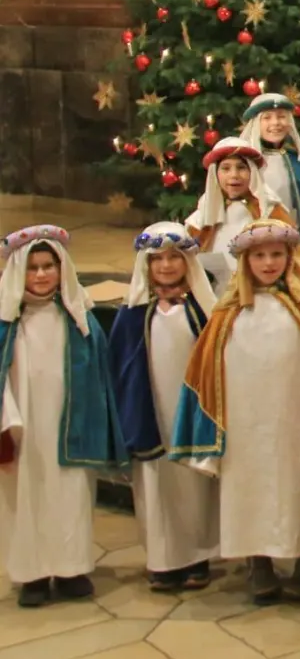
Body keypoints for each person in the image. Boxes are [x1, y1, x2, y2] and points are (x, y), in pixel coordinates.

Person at [170, 219, 300, 604]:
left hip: (296, 421)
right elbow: (204, 371)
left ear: (290, 257)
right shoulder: (226, 315)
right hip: (245, 426)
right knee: (249, 491)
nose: (268, 263)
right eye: (259, 256)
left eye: (276, 254)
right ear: (245, 261)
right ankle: (258, 562)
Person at [0, 226, 126, 607]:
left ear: (61, 268)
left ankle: (72, 569)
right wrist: (8, 424)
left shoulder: (79, 320)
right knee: (25, 499)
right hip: (23, 429)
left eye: (48, 266)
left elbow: (99, 377)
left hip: (71, 427)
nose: (41, 274)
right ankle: (33, 575)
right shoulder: (7, 323)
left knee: (72, 495)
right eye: (32, 267)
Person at [109, 224, 220, 593]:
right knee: (154, 487)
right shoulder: (133, 315)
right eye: (158, 259)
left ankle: (198, 556)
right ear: (146, 265)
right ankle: (161, 561)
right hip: (149, 413)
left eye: (175, 257)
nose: (167, 265)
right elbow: (120, 366)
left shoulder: (203, 311)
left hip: (191, 415)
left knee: (193, 487)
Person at [185, 137, 298, 282]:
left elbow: (294, 262)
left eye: (241, 168)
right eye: (226, 168)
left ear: (252, 172)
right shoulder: (203, 216)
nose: (234, 175)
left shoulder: (272, 212)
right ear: (216, 174)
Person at [239, 92, 300, 255]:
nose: (275, 123)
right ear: (256, 123)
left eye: (281, 116)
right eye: (267, 118)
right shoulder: (244, 164)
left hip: (297, 248)